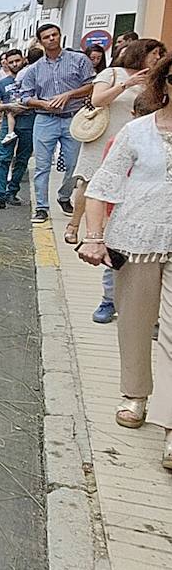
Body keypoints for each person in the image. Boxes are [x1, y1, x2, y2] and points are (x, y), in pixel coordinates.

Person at [77, 51, 172, 471]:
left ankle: (170, 425)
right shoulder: (137, 132)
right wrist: (94, 238)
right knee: (134, 324)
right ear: (164, 84)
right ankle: (135, 394)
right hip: (138, 241)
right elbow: (102, 187)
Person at [69, 39, 166, 324]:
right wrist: (95, 236)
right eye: (156, 54)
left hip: (150, 175)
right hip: (110, 143)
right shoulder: (112, 75)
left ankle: (150, 314)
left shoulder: (157, 84)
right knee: (90, 188)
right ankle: (108, 300)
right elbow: (97, 101)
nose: (158, 59)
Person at [19, 23, 96, 224]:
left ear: (60, 36)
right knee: (42, 165)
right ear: (41, 41)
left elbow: (91, 85)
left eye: (54, 35)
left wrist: (69, 94)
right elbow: (25, 97)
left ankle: (64, 196)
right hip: (45, 119)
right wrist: (43, 103)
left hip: (73, 117)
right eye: (46, 37)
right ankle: (42, 207)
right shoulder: (34, 69)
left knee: (73, 163)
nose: (51, 39)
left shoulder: (79, 60)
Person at [0, 49, 35, 209]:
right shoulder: (2, 84)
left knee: (22, 159)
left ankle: (12, 192)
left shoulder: (34, 79)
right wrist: (8, 106)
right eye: (11, 61)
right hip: (8, 124)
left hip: (29, 122)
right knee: (4, 158)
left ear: (23, 60)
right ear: (6, 63)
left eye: (17, 60)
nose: (15, 64)